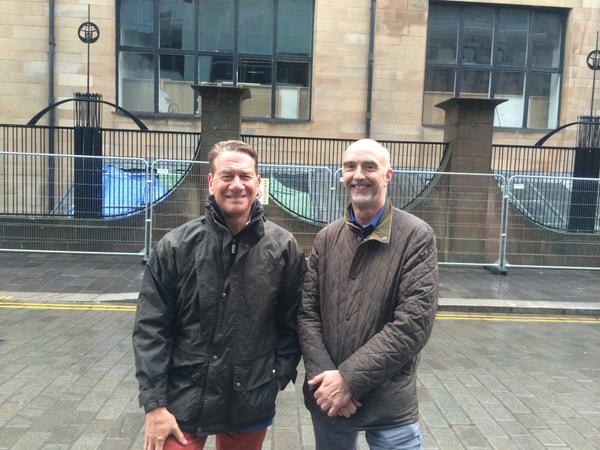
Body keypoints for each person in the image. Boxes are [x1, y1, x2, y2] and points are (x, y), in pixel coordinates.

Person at [133, 140, 305, 450]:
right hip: (182, 397)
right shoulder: (175, 247)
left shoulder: (283, 247)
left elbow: (292, 321)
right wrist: (155, 404)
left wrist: (278, 375)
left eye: (245, 176)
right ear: (211, 183)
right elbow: (151, 329)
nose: (236, 185)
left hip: (250, 396)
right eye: (227, 176)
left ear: (258, 183)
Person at [298, 138, 438, 450]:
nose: (358, 175)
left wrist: (347, 380)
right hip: (330, 401)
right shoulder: (326, 238)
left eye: (369, 167)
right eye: (350, 167)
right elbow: (308, 314)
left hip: (389, 402)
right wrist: (326, 379)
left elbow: (412, 325)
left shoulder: (417, 236)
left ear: (388, 175)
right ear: (342, 174)